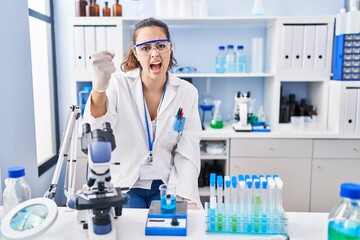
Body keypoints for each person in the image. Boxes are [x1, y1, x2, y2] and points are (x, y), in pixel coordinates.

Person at [83, 17, 202, 209]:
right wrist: (99, 87)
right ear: (135, 53)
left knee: (169, 229)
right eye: (146, 48)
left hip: (166, 183)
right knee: (131, 227)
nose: (155, 54)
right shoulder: (117, 84)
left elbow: (187, 149)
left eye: (161, 46)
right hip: (127, 182)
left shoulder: (187, 92)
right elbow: (97, 128)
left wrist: (185, 194)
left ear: (170, 48)